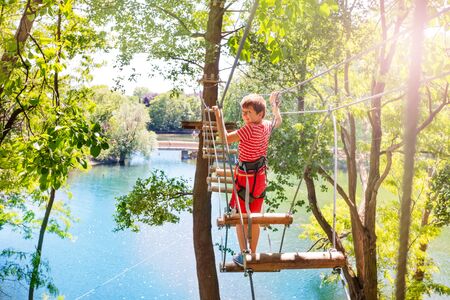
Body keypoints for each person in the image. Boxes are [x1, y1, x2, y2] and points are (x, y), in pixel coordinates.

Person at [213, 92, 282, 267]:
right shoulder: (266, 125)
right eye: (243, 112)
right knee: (255, 217)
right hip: (259, 178)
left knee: (240, 217)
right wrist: (274, 106)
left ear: (260, 114)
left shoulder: (248, 129)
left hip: (245, 180)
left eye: (249, 112)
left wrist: (218, 117)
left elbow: (225, 139)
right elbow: (278, 121)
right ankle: (252, 251)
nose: (245, 116)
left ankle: (244, 255)